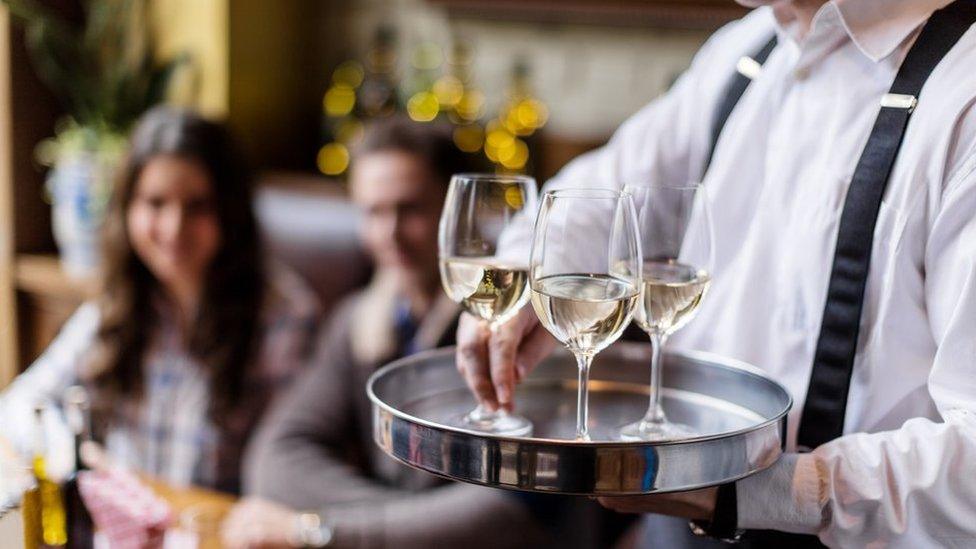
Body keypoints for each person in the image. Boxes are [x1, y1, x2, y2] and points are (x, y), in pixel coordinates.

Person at [454, 1, 976, 547]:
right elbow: (598, 195)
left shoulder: (962, 97)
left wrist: (762, 493)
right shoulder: (749, 47)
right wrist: (515, 279)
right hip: (675, 523)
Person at [222, 117, 630, 549]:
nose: (390, 234)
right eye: (373, 212)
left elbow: (513, 513)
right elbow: (275, 460)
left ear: (457, 217)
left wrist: (321, 530)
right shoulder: (358, 321)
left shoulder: (521, 322)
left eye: (410, 209)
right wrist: (408, 528)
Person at [0, 107, 319, 494]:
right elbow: (20, 403)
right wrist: (68, 452)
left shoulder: (284, 316)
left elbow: (288, 471)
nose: (173, 228)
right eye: (155, 203)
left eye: (197, 206)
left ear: (229, 211)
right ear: (128, 209)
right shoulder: (121, 300)